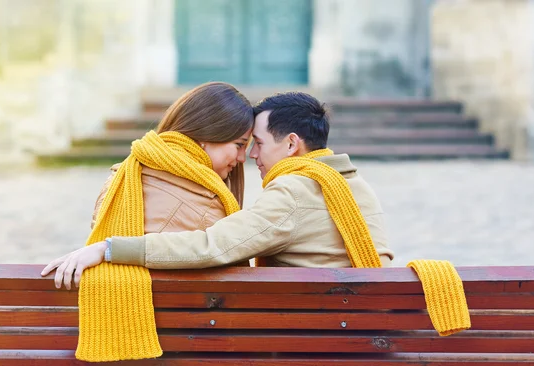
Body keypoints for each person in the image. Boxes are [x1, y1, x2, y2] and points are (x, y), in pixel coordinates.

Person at [42, 91, 394, 289]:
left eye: (255, 143)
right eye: (243, 144)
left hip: (315, 336)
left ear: (291, 145)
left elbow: (213, 246)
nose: (250, 156)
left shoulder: (294, 192)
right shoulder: (352, 184)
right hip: (356, 324)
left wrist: (109, 248)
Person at [46, 81, 253, 289]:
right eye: (240, 145)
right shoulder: (209, 205)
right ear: (207, 136)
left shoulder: (121, 177)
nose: (243, 157)